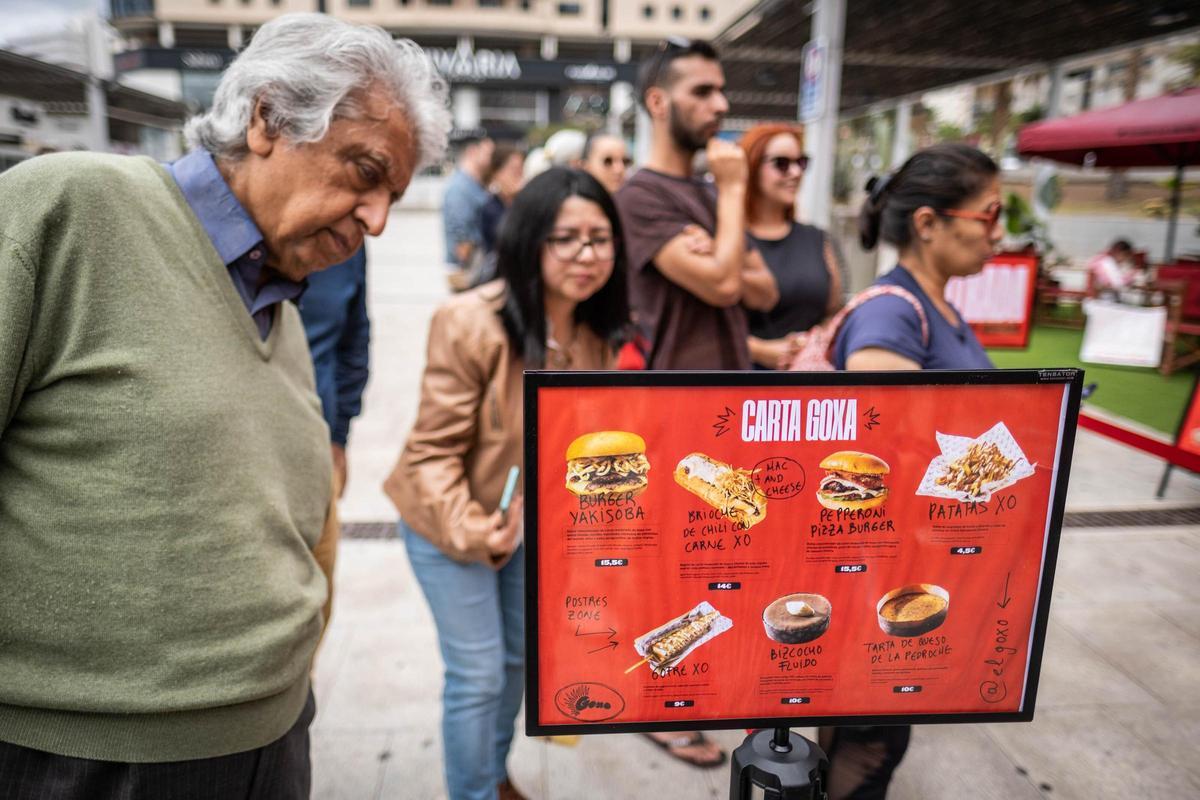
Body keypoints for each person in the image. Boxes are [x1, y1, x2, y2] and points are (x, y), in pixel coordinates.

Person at [0, 13, 449, 798]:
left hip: (273, 737)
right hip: (88, 756)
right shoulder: (70, 207)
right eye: (366, 171)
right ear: (267, 116)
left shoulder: (283, 311)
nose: (378, 219)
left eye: (394, 196)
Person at [384, 168, 630, 800]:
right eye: (565, 238)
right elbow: (431, 453)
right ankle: (473, 792)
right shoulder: (470, 321)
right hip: (448, 522)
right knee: (478, 674)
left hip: (531, 529)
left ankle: (491, 777)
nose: (585, 255)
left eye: (600, 239)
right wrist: (475, 527)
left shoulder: (596, 332)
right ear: (529, 241)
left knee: (521, 664)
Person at [825, 143, 1002, 800]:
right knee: (867, 738)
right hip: (880, 570)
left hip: (916, 567)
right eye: (990, 214)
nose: (998, 232)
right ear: (928, 223)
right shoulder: (891, 315)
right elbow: (886, 457)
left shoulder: (939, 308)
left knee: (884, 730)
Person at [615, 37, 778, 372]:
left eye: (721, 90)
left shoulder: (710, 190)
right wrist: (733, 189)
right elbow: (725, 286)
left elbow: (766, 293)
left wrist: (720, 253)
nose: (720, 104)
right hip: (676, 398)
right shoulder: (639, 196)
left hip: (732, 391)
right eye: (702, 92)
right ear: (658, 103)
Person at [739, 123, 843, 369]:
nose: (795, 172)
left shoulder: (816, 238)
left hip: (807, 387)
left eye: (802, 162)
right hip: (740, 389)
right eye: (781, 163)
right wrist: (759, 350)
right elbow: (702, 329)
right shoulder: (729, 240)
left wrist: (813, 341)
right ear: (752, 167)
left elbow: (834, 312)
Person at [443, 132, 495, 291]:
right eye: (488, 153)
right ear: (472, 151)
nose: (492, 158)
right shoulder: (461, 188)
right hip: (469, 271)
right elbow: (461, 238)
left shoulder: (475, 185)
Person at [480, 143, 526, 257]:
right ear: (497, 173)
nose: (519, 176)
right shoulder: (490, 207)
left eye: (521, 170)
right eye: (514, 170)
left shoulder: (522, 203)